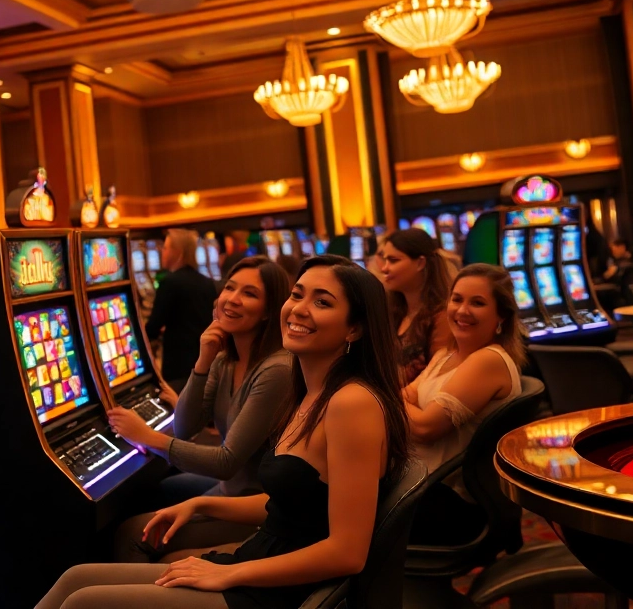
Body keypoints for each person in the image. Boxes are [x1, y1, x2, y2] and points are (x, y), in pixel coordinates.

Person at [36, 256, 409, 609]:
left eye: (322, 303)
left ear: (355, 328)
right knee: (75, 578)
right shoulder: (309, 390)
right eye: (297, 295)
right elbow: (294, 505)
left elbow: (347, 552)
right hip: (260, 560)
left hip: (280, 588)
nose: (299, 309)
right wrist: (202, 503)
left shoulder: (352, 403)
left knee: (83, 602)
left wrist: (230, 572)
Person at [110, 257, 294, 562]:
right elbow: (185, 427)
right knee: (163, 489)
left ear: (268, 312)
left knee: (132, 534)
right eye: (229, 288)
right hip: (231, 490)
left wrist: (146, 436)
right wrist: (204, 358)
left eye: (249, 294)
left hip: (259, 506)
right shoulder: (226, 359)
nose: (232, 299)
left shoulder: (276, 370)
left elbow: (225, 462)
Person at [404, 263, 525, 544]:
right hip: (422, 485)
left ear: (502, 317)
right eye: (457, 299)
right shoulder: (448, 354)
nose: (462, 310)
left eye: (478, 303)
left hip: (449, 501)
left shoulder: (488, 360)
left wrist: (391, 399)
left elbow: (424, 428)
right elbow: (405, 396)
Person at [377, 229, 453, 386]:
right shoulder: (394, 312)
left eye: (393, 260)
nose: (384, 268)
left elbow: (439, 376)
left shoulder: (442, 316)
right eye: (385, 260)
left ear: (420, 263)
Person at [147, 229, 221, 391]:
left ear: (177, 252)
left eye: (165, 248)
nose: (162, 252)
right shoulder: (207, 282)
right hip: (204, 359)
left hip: (178, 364)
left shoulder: (170, 282)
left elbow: (153, 326)